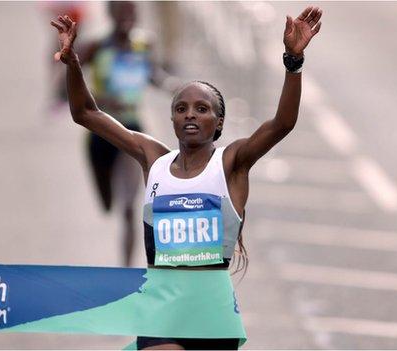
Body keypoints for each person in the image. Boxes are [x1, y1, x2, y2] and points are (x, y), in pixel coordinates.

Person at [50, 5, 322, 349]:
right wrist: (74, 63)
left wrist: (293, 62)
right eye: (181, 109)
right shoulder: (154, 160)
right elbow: (86, 112)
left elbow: (282, 124)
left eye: (202, 109)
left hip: (211, 314)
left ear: (218, 123)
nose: (190, 115)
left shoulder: (232, 163)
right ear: (173, 119)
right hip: (162, 308)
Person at [72, 1, 179, 267]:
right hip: (101, 131)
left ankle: (126, 269)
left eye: (131, 13)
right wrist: (99, 99)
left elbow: (154, 75)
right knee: (107, 202)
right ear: (110, 14)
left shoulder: (144, 44)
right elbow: (68, 82)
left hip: (132, 130)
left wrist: (176, 88)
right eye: (121, 13)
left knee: (130, 206)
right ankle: (107, 193)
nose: (127, 19)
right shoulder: (96, 46)